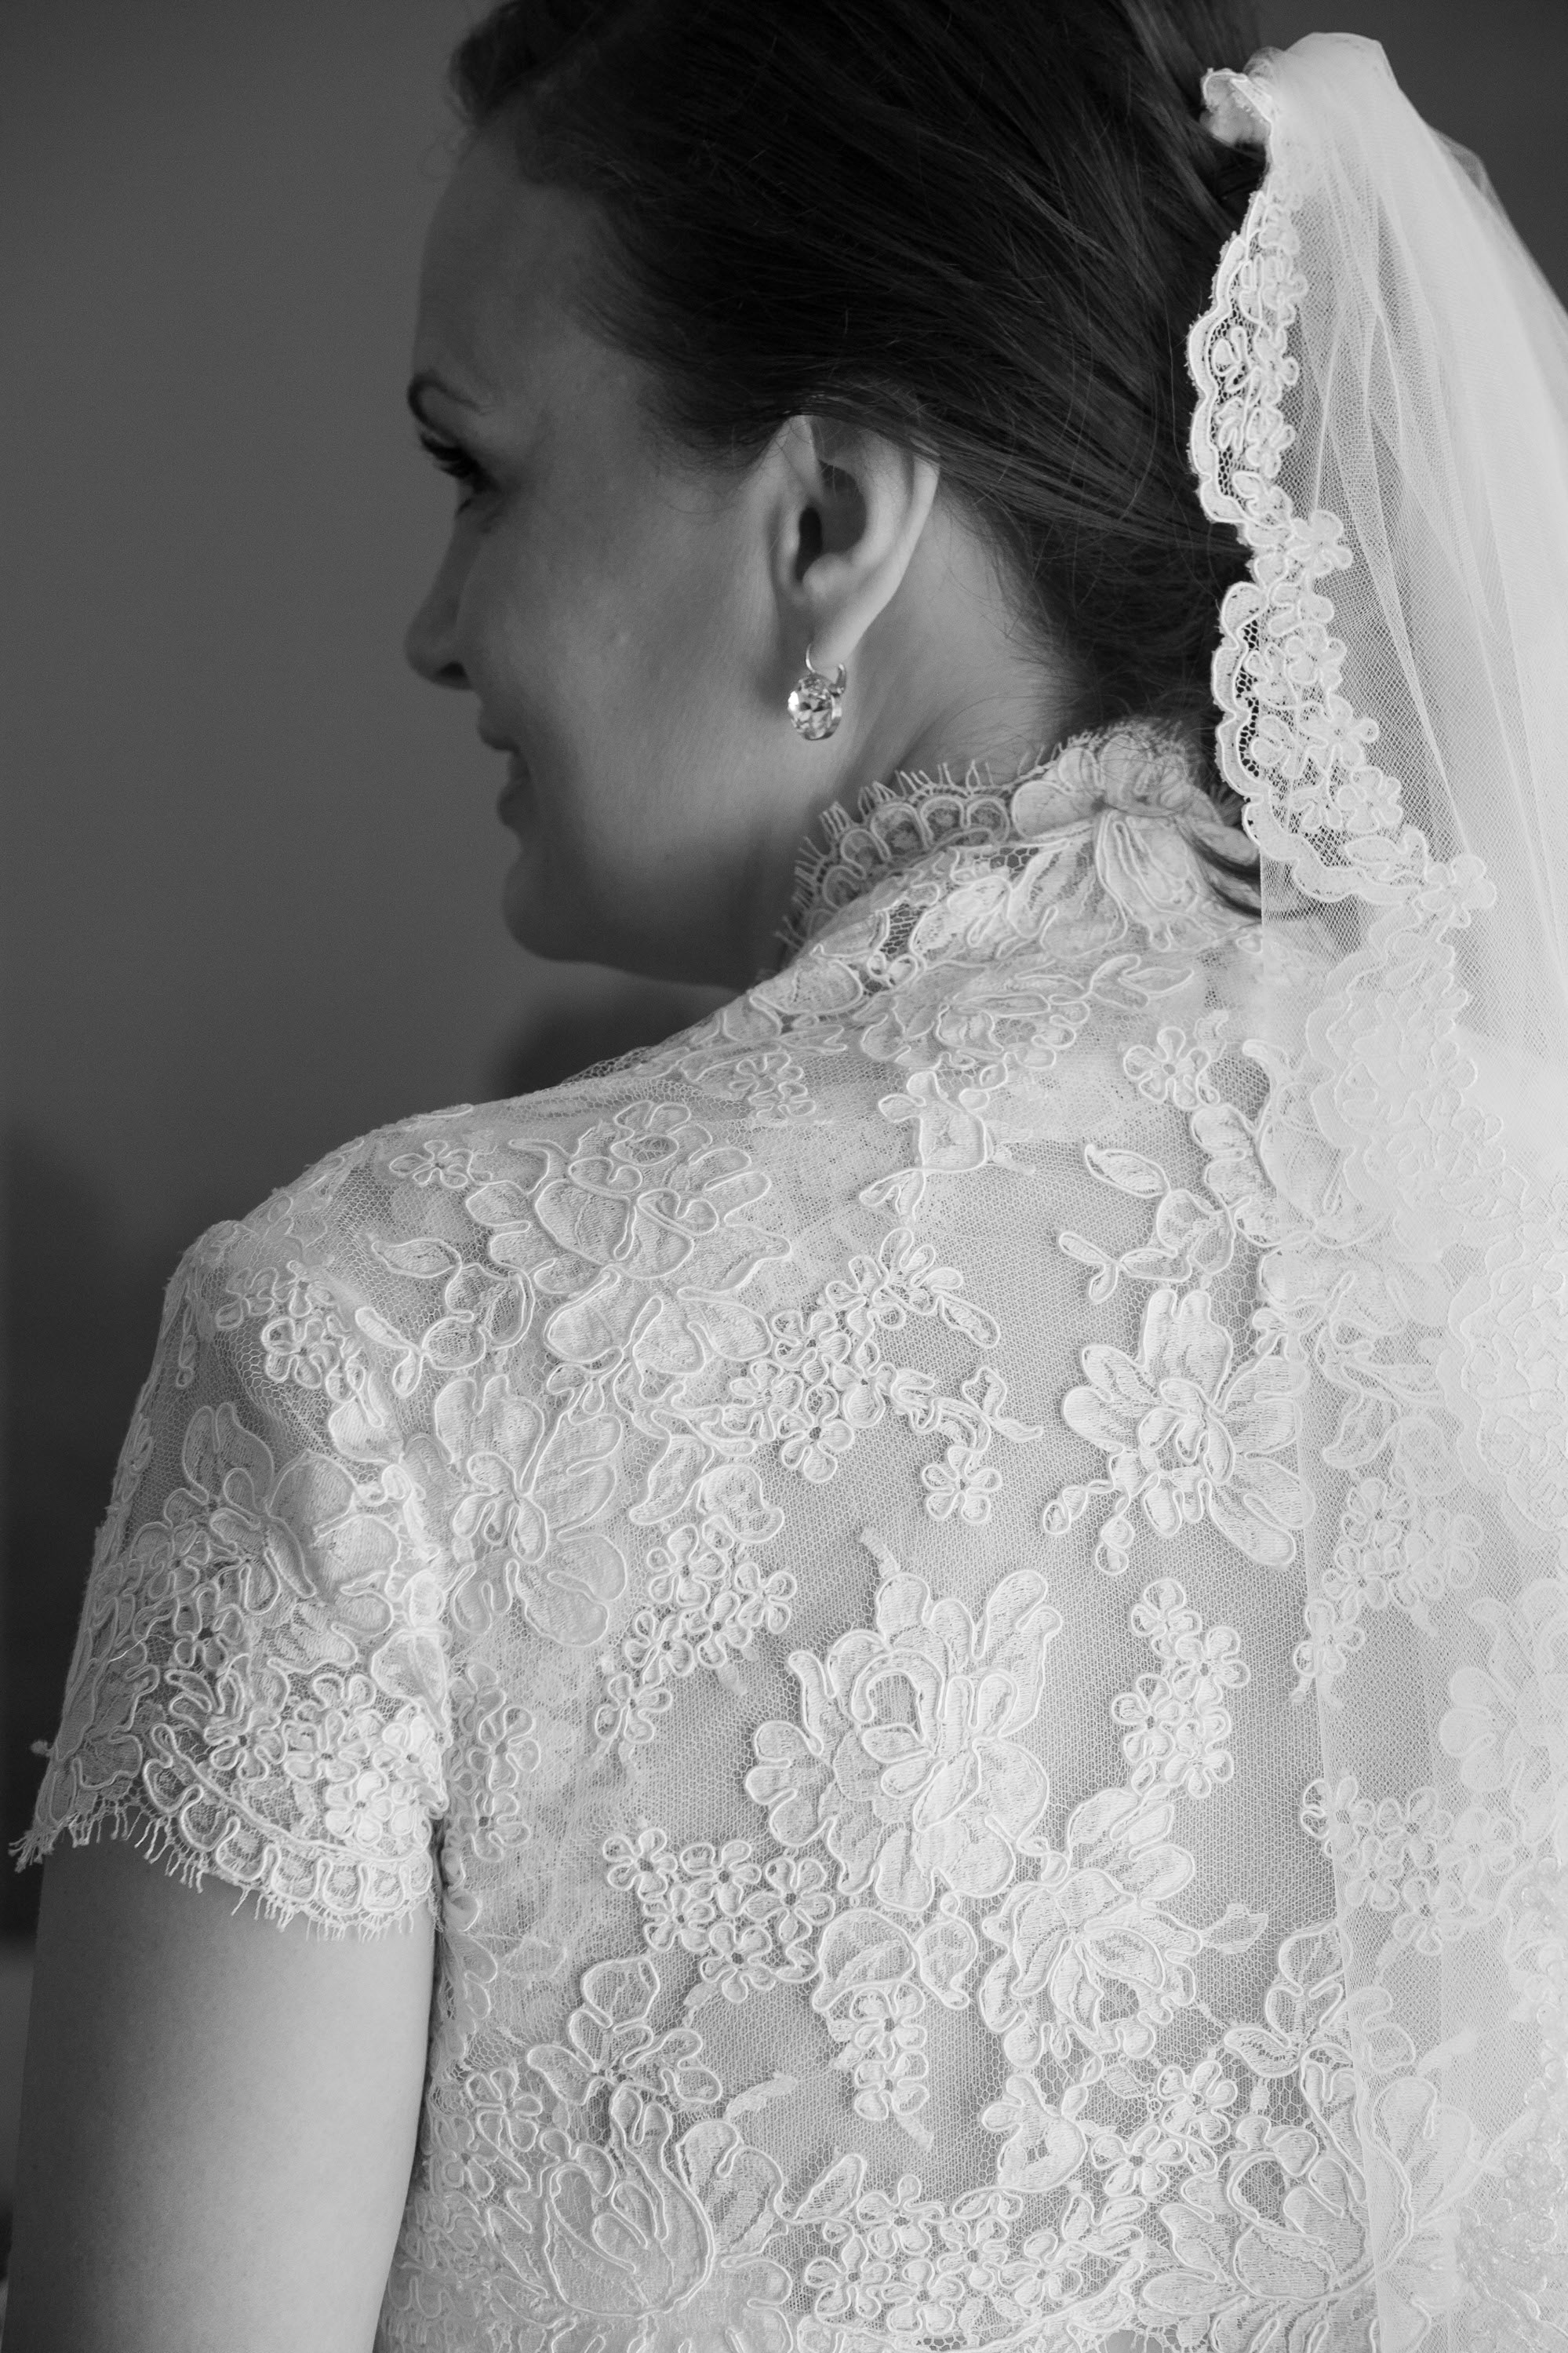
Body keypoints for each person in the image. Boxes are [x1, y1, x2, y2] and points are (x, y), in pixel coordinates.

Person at [5, 2, 1566, 2348]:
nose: (434, 626)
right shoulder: (1517, 1214)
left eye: (480, 470)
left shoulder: (372, 1339)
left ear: (827, 525)